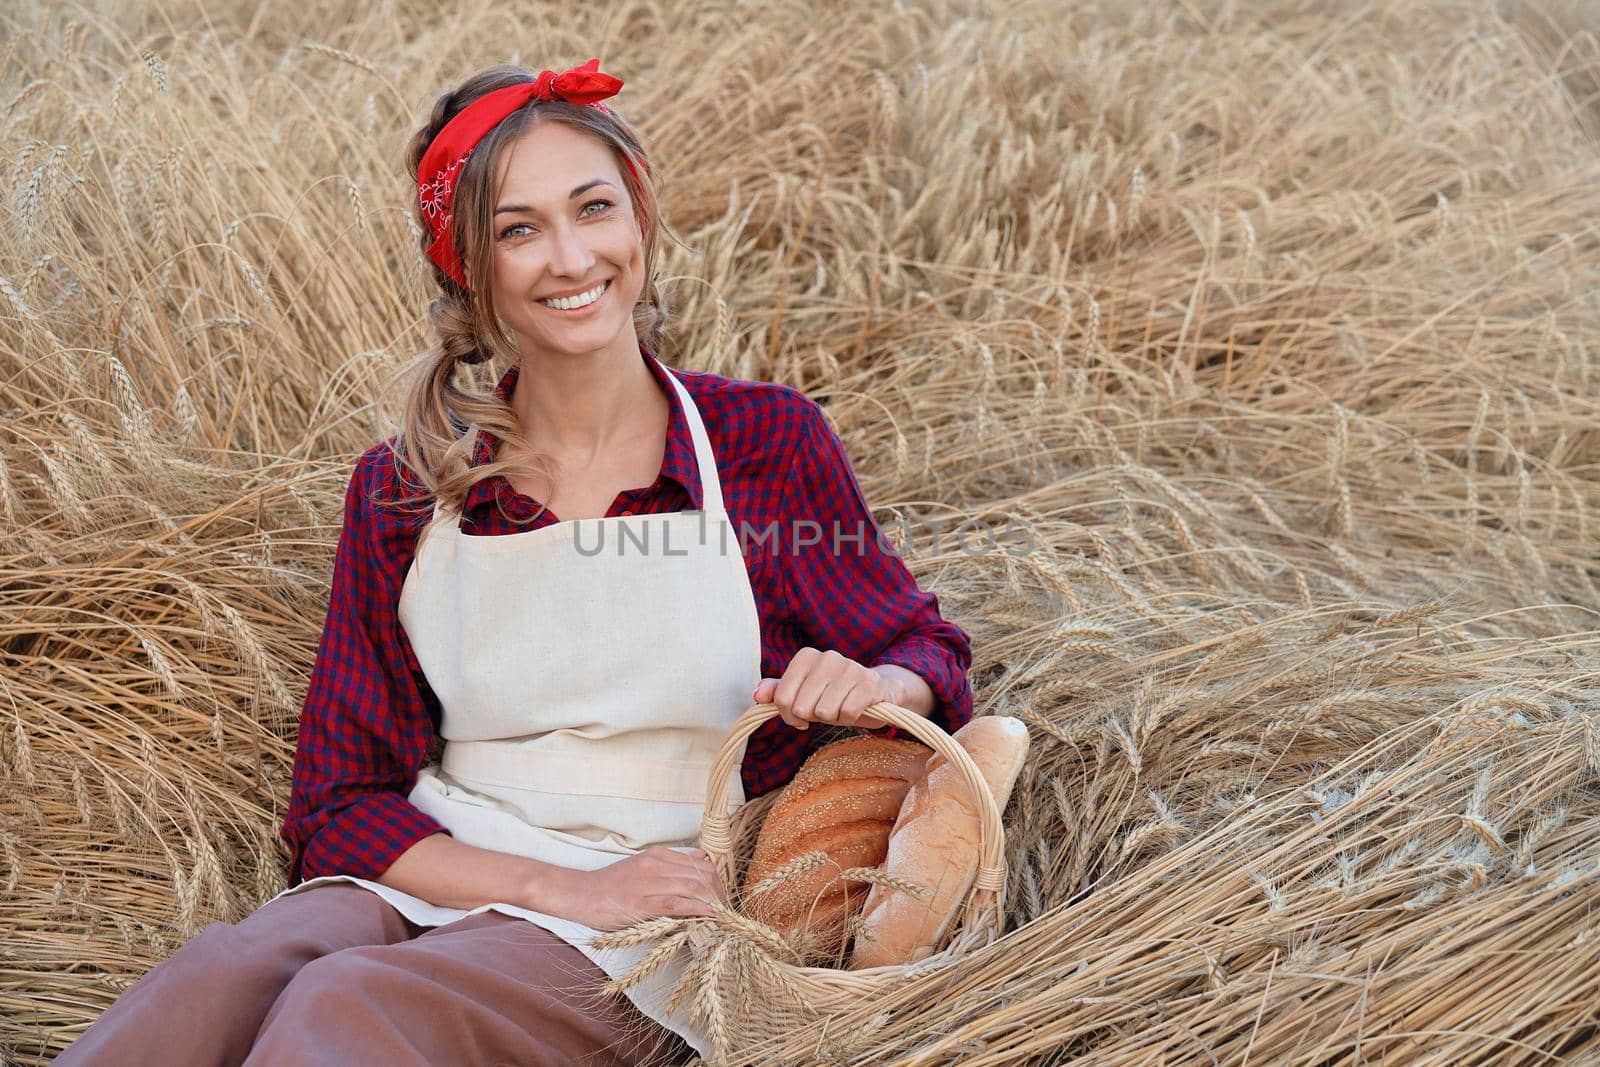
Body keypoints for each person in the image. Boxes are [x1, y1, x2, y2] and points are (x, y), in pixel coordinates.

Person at [54, 58, 973, 1067]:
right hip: (452, 864)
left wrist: (874, 678)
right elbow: (339, 801)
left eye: (593, 208)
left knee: (351, 1005)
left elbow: (918, 648)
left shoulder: (765, 444)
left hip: (660, 909)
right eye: (518, 229)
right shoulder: (408, 488)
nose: (571, 257)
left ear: (641, 215)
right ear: (468, 268)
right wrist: (554, 885)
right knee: (220, 980)